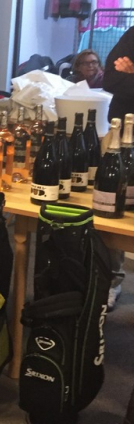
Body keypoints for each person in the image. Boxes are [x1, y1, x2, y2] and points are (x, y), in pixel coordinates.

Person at [102, 30, 134, 311]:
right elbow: (110, 79)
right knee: (114, 207)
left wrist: (131, 74)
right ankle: (113, 281)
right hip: (121, 136)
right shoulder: (132, 35)